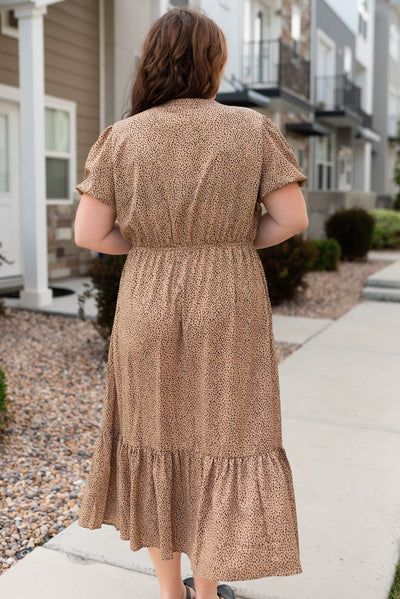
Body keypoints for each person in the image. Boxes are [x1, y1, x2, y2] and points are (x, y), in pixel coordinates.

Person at [74, 6, 308, 599]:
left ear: (152, 61)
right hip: (228, 298)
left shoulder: (122, 136)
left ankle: (168, 591)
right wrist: (224, 242)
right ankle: (207, 589)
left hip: (148, 297)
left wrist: (157, 247)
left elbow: (90, 234)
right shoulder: (251, 129)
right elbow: (291, 218)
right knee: (223, 437)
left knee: (155, 438)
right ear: (214, 63)